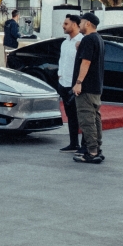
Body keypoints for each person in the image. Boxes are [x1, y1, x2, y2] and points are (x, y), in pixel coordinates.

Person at [72, 12, 105, 164]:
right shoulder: (98, 39)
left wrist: (78, 82)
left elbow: (86, 63)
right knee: (95, 118)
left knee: (87, 120)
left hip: (86, 87)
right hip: (96, 86)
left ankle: (92, 152)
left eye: (81, 21)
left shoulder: (88, 39)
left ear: (88, 23)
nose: (79, 24)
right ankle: (97, 149)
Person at [56, 13, 82, 153]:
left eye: (66, 24)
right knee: (70, 115)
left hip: (77, 85)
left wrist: (79, 83)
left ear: (74, 24)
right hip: (64, 84)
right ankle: (73, 143)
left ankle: (85, 146)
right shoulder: (65, 42)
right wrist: (60, 76)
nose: (63, 26)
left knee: (82, 116)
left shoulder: (82, 41)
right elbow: (62, 61)